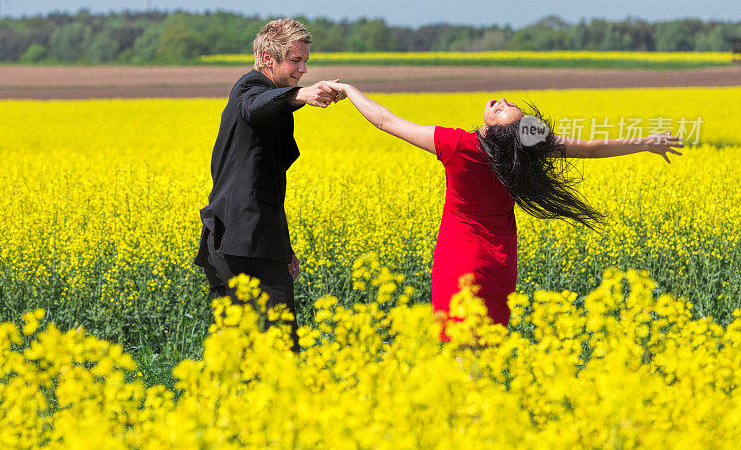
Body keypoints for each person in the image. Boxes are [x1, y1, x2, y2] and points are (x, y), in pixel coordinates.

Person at [326, 83, 684, 338]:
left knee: (460, 350)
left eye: (503, 109)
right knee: (485, 349)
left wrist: (349, 91)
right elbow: (589, 148)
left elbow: (386, 122)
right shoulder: (525, 152)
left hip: (460, 260)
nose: (500, 100)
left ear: (494, 131)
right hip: (499, 261)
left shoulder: (460, 145)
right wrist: (644, 143)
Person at [194, 18, 343, 351]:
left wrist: (284, 246)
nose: (303, 68)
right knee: (271, 346)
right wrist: (300, 95)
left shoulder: (273, 100)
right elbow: (255, 106)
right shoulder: (249, 89)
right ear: (266, 59)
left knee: (249, 348)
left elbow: (268, 188)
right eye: (295, 60)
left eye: (305, 61)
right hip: (239, 242)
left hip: (253, 238)